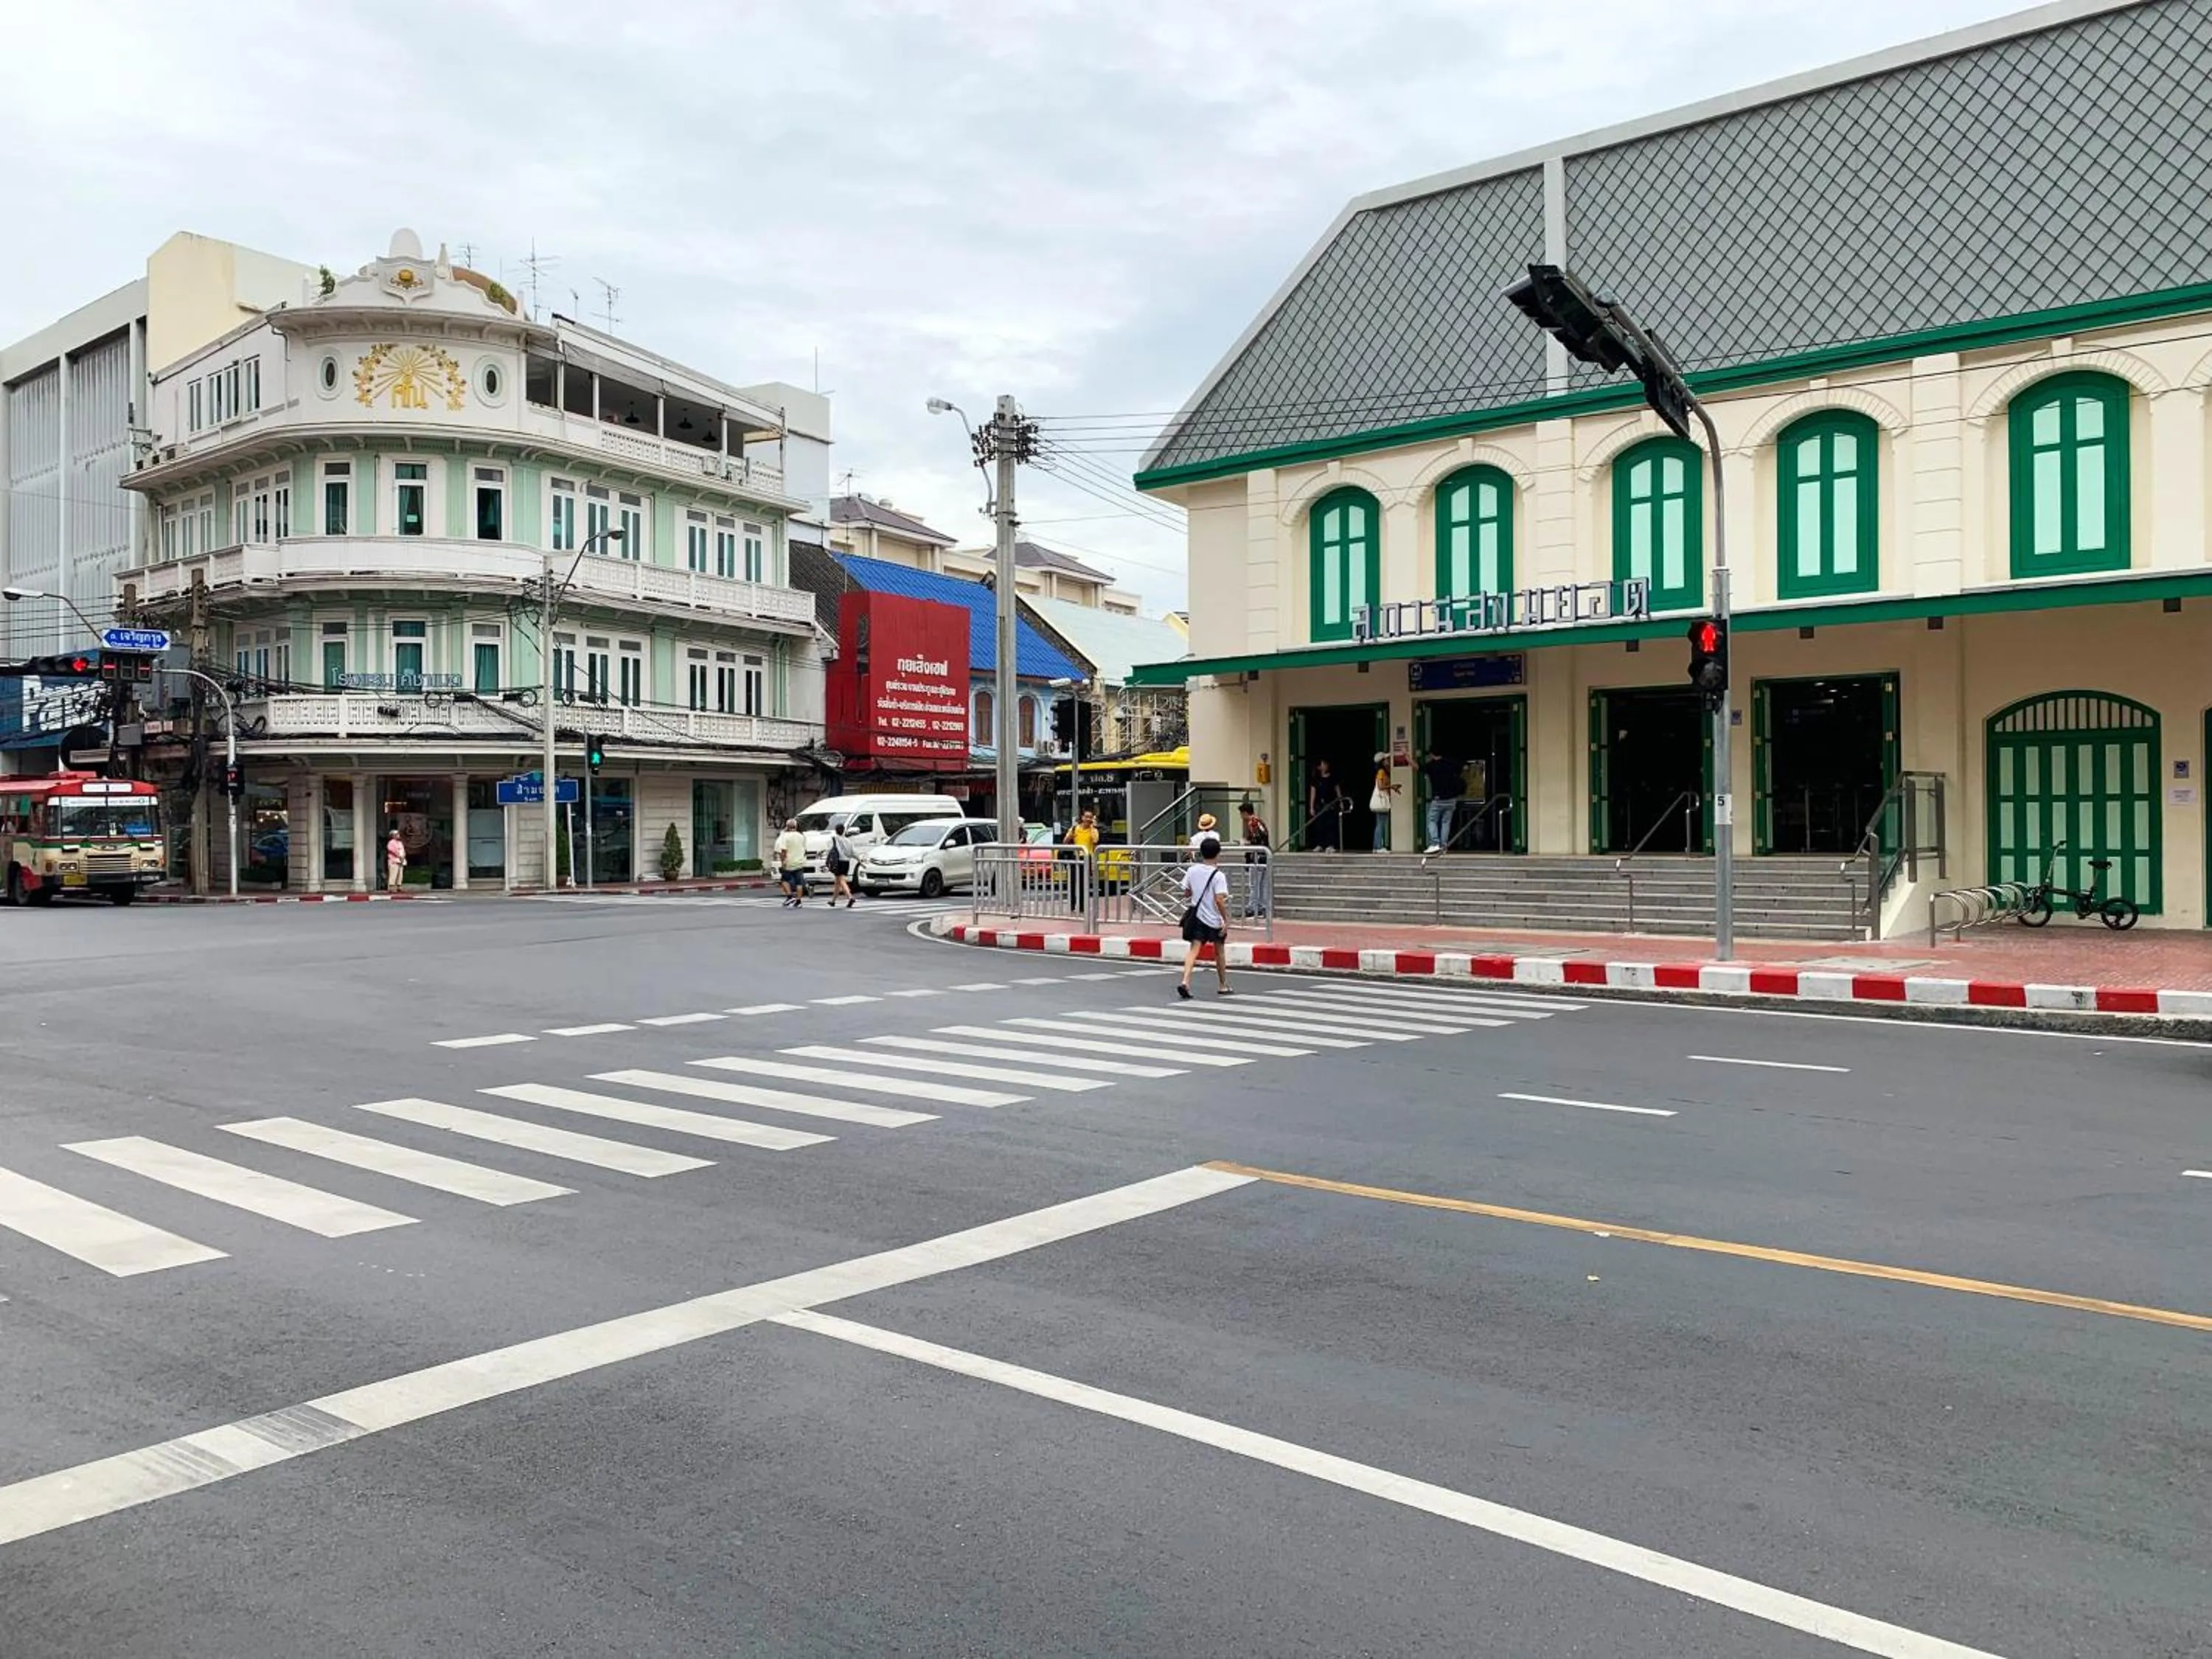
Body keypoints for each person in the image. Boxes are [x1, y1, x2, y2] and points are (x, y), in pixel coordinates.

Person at [1176, 835, 1232, 1001]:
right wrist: (1226, 920)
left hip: (1198, 917)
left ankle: (1185, 981)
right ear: (1218, 854)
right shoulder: (1219, 876)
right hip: (1214, 919)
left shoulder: (1192, 870)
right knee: (1219, 952)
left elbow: (1186, 892)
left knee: (1194, 950)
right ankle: (1222, 985)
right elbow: (1219, 900)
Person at [1422, 748, 1463, 854]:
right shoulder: (1450, 763)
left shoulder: (1432, 765)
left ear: (1432, 754)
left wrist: (1406, 756)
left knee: (1432, 820)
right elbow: (1462, 768)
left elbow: (1417, 767)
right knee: (1446, 823)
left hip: (1438, 799)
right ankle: (1444, 847)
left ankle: (1435, 843)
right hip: (1451, 799)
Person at [1238, 799, 1270, 918]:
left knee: (1254, 884)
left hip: (1256, 857)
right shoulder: (1260, 821)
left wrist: (1245, 843)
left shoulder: (1252, 823)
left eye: (1242, 814)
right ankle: (1262, 907)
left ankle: (1253, 907)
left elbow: (1256, 839)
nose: (1241, 817)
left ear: (1245, 813)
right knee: (1262, 884)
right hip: (1264, 856)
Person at [1066, 809, 1099, 914]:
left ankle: (1082, 907)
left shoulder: (1093, 830)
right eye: (1086, 817)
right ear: (1082, 817)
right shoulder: (1075, 829)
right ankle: (1072, 906)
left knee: (1083, 884)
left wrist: (1092, 827)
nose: (1088, 819)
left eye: (1090, 817)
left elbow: (1095, 840)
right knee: (1072, 882)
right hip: (1075, 858)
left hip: (1086, 858)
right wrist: (1070, 835)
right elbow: (1065, 841)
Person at [1307, 760, 1344, 852]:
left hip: (1331, 805)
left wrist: (1341, 802)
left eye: (1326, 764)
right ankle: (1320, 845)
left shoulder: (1333, 778)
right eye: (1323, 764)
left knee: (1331, 825)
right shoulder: (1316, 779)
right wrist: (1311, 807)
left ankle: (1330, 845)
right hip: (1320, 806)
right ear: (1320, 767)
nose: (1325, 766)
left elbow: (1338, 791)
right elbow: (1313, 794)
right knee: (1319, 826)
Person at [773, 817, 808, 908]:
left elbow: (783, 850)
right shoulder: (802, 836)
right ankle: (799, 901)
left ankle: (789, 896)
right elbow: (805, 849)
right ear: (796, 826)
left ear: (787, 827)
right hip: (799, 862)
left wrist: (783, 861)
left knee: (784, 880)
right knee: (799, 883)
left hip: (789, 862)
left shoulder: (785, 836)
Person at [824, 816, 858, 908]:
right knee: (837, 882)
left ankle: (850, 897)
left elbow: (829, 850)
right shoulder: (848, 841)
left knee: (841, 880)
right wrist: (859, 860)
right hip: (846, 862)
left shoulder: (834, 839)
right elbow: (853, 852)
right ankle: (833, 901)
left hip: (838, 862)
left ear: (836, 830)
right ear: (844, 831)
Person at [1368, 753, 1397, 852]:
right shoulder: (1381, 772)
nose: (1388, 760)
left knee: (1380, 824)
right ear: (1382, 761)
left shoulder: (1386, 771)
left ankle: (1376, 847)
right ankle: (1379, 846)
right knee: (1381, 824)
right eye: (1386, 759)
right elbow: (1380, 786)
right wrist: (1391, 787)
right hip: (1381, 800)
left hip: (1384, 799)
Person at [384, 824, 407, 892]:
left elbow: (403, 850)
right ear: (393, 836)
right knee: (393, 874)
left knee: (400, 875)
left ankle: (399, 887)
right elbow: (392, 850)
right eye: (397, 834)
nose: (398, 835)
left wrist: (403, 856)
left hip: (401, 860)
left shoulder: (400, 843)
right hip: (394, 861)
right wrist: (399, 856)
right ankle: (391, 888)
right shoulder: (391, 843)